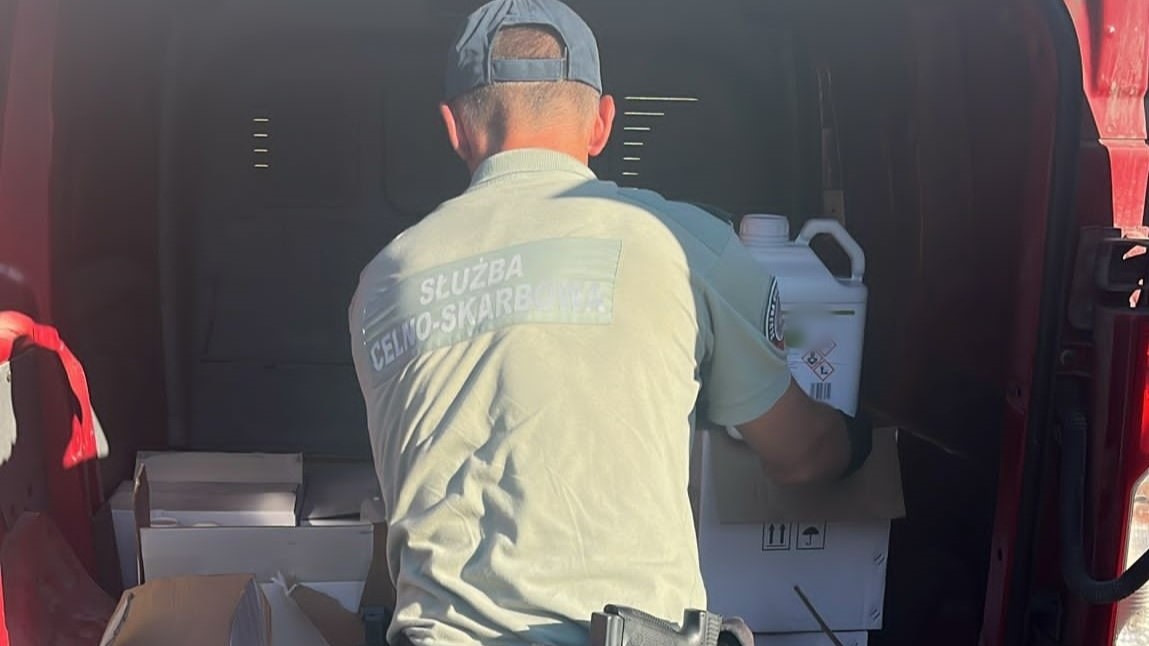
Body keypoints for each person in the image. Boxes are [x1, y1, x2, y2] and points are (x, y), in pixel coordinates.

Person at [347, 1, 872, 644]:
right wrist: (858, 445)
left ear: (454, 129)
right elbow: (802, 456)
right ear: (602, 123)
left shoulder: (382, 283)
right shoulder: (683, 245)